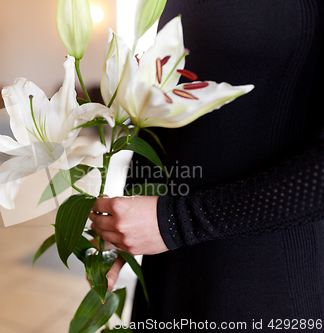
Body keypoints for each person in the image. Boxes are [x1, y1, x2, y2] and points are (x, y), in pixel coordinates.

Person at [89, 0, 324, 331]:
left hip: (263, 278)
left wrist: (177, 221)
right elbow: (161, 104)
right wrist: (122, 218)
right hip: (168, 262)